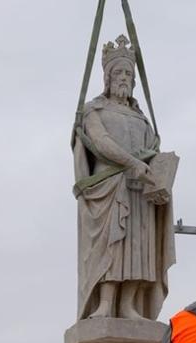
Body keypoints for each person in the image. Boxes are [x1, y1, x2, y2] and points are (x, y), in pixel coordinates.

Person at [72, 34, 175, 320]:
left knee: (139, 248)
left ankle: (129, 305)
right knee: (111, 246)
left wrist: (162, 174)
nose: (124, 78)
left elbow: (152, 150)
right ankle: (105, 304)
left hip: (140, 191)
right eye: (118, 72)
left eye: (129, 74)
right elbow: (101, 142)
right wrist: (131, 163)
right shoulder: (95, 110)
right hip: (109, 187)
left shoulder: (142, 118)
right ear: (107, 76)